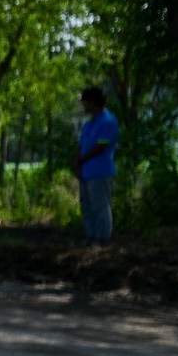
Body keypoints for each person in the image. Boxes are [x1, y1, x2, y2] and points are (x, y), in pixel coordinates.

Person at [74, 86, 118, 245]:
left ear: (93, 102)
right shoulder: (88, 124)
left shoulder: (108, 121)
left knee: (101, 207)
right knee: (87, 207)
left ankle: (102, 239)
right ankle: (91, 236)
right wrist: (78, 163)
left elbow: (101, 146)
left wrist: (82, 159)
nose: (83, 106)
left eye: (85, 102)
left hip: (100, 171)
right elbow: (82, 145)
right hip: (86, 172)